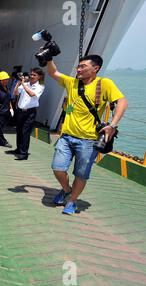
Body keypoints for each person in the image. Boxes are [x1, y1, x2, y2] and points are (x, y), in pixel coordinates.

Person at [47, 55, 128, 215]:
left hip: (89, 141)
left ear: (95, 68)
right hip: (67, 136)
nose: (78, 69)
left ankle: (72, 201)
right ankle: (66, 189)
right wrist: (49, 59)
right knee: (57, 168)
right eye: (78, 66)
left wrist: (112, 125)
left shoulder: (104, 83)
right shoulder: (72, 82)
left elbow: (122, 102)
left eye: (83, 66)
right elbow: (53, 73)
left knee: (81, 174)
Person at [9, 68, 45, 160]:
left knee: (25, 132)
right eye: (31, 74)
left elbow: (31, 94)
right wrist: (18, 83)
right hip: (21, 111)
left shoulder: (40, 86)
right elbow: (15, 93)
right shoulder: (26, 84)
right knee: (19, 130)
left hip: (30, 112)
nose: (32, 76)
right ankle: (18, 149)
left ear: (39, 77)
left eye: (34, 75)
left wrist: (24, 84)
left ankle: (24, 153)